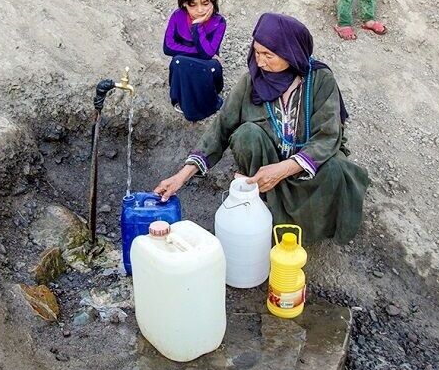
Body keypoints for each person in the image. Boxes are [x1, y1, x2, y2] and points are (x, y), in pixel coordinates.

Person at [154, 13, 370, 245]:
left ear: (291, 53)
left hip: (308, 169)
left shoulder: (320, 80)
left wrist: (284, 169)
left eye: (269, 55)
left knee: (337, 167)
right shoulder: (252, 81)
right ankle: (266, 211)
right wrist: (181, 176)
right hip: (265, 172)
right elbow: (220, 129)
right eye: (257, 52)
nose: (260, 61)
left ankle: (313, 232)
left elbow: (328, 136)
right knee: (247, 135)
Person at [163, 0, 226, 122]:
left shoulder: (219, 22)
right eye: (193, 5)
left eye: (205, 4)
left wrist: (197, 27)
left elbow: (207, 55)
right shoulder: (178, 16)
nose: (200, 10)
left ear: (213, 1)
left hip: (207, 68)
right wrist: (195, 51)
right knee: (178, 62)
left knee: (210, 65)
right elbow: (167, 47)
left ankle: (208, 103)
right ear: (184, 3)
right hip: (183, 67)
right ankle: (182, 101)